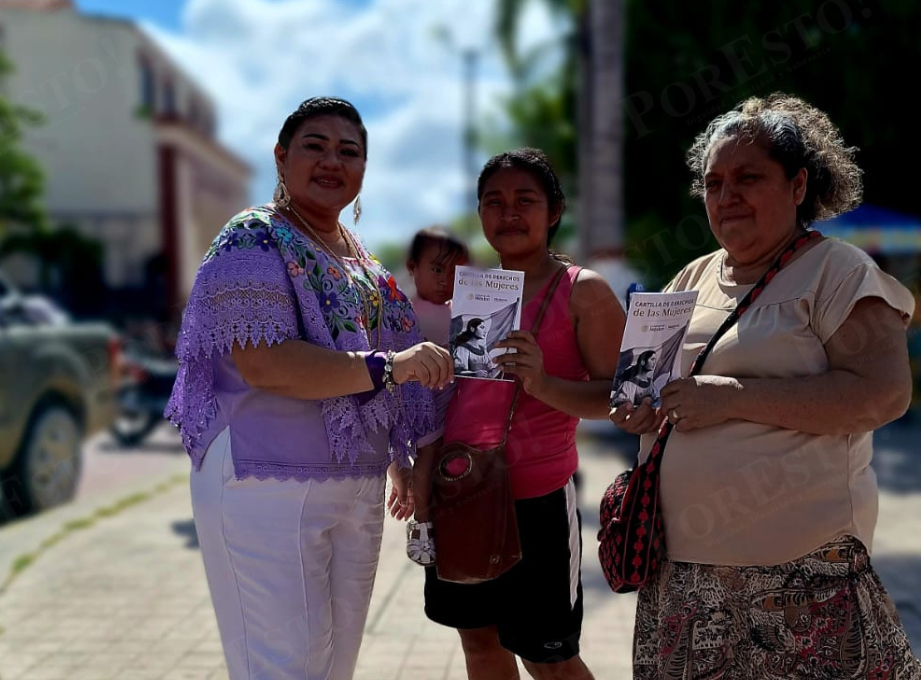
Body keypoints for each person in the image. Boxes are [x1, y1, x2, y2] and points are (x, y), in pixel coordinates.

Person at [610, 94, 921, 679]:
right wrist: (643, 411)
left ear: (797, 184)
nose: (726, 195)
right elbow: (654, 390)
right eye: (713, 183)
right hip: (686, 577)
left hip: (802, 579)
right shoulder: (693, 275)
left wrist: (733, 398)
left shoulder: (840, 271)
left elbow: (885, 394)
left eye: (748, 177)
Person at [164, 97, 453, 680]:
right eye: (314, 146)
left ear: (364, 171)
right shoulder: (253, 238)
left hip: (357, 488)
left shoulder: (364, 265)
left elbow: (407, 382)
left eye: (349, 152)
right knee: (282, 667)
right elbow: (265, 363)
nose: (332, 161)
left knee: (333, 666)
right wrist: (391, 366)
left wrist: (406, 458)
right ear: (280, 157)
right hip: (263, 480)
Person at [415, 148, 626, 680]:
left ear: (554, 211)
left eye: (524, 200)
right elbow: (451, 400)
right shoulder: (473, 291)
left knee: (548, 659)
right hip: (463, 493)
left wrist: (544, 382)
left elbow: (625, 399)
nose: (508, 213)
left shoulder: (584, 291)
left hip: (537, 501)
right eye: (494, 202)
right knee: (481, 649)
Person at [407, 226, 470, 345]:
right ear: (412, 267)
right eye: (437, 270)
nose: (445, 281)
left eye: (454, 273)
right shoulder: (401, 312)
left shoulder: (462, 313)